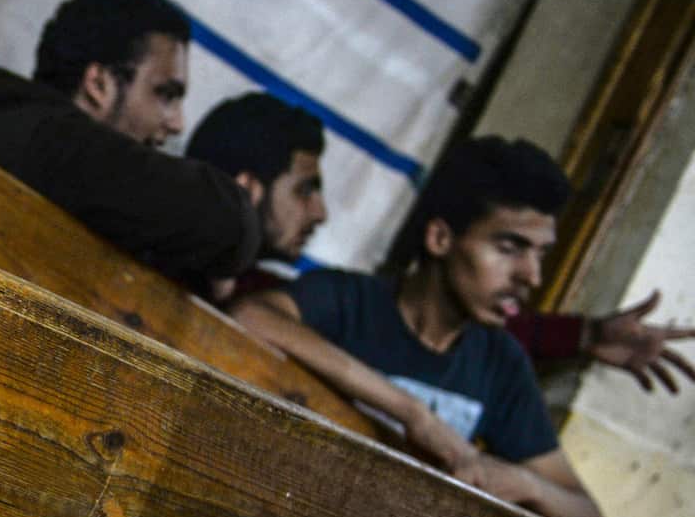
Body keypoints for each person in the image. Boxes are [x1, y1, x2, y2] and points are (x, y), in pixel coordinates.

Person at [186, 93, 695, 393]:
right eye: (305, 190)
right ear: (248, 188)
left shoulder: (279, 292)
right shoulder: (180, 267)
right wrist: (413, 414)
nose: (320, 212)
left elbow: (436, 325)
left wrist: (585, 335)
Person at [229, 136, 606, 517]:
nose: (532, 276)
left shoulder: (500, 362)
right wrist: (413, 414)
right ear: (440, 238)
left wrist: (528, 485)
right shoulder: (353, 301)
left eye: (540, 254)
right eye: (510, 247)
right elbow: (251, 316)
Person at [0, 0, 261, 282]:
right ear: (99, 83)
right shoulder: (57, 145)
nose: (177, 123)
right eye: (166, 94)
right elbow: (226, 223)